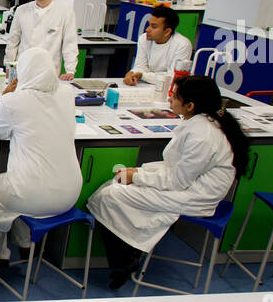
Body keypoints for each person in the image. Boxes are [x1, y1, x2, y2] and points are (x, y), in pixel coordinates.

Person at [87, 74, 248, 289]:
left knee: (110, 196)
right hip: (188, 185)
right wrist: (138, 173)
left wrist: (137, 176)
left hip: (196, 196)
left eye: (175, 96)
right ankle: (129, 254)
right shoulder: (199, 123)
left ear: (190, 105)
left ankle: (125, 260)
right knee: (112, 188)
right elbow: (177, 169)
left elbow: (178, 180)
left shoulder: (203, 135)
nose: (170, 98)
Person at [0, 47, 81, 263]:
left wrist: (5, 97)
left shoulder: (13, 101)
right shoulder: (67, 94)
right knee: (20, 183)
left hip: (30, 196)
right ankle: (25, 244)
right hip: (70, 194)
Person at [5, 0, 79, 80]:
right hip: (24, 70)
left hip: (49, 72)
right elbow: (13, 42)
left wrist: (70, 70)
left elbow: (70, 44)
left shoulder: (65, 12)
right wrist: (9, 67)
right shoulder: (22, 10)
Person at [124, 6, 192, 86]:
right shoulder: (143, 38)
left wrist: (142, 75)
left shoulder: (183, 44)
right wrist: (132, 73)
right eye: (149, 25)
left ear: (167, 31)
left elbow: (173, 77)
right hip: (147, 84)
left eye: (154, 27)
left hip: (170, 88)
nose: (147, 29)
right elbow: (140, 66)